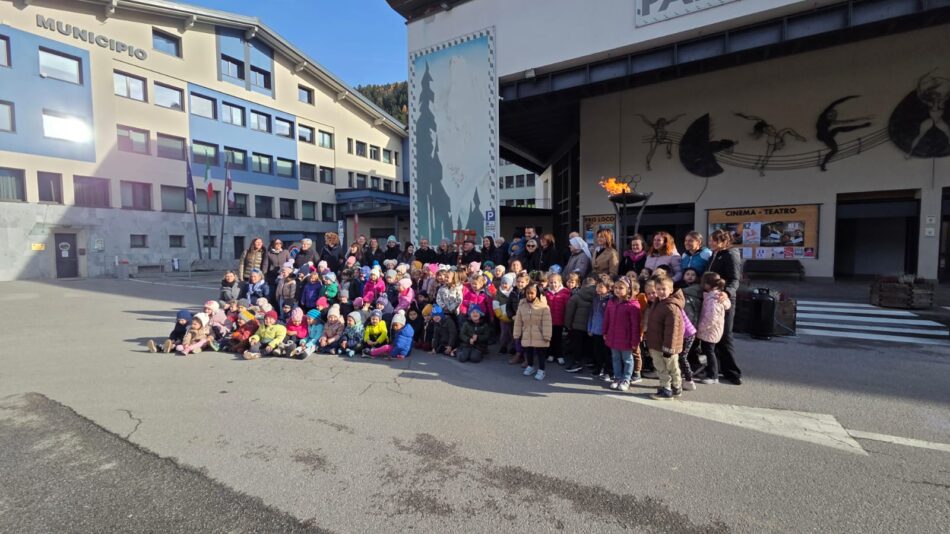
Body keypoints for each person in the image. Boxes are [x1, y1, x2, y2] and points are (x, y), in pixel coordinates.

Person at [707, 229, 742, 385]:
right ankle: (719, 367)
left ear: (723, 241)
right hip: (712, 298)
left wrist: (727, 293)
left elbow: (735, 279)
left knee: (725, 335)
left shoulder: (730, 255)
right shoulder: (715, 254)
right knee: (713, 335)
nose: (710, 243)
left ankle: (733, 372)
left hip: (724, 300)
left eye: (713, 240)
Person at [646, 276, 685, 400]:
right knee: (660, 367)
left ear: (671, 290)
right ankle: (668, 387)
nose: (660, 292)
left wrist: (669, 348)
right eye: (658, 289)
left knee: (671, 367)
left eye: (664, 289)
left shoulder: (670, 307)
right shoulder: (658, 302)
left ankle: (671, 388)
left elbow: (672, 330)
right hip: (657, 343)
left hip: (667, 346)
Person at [603, 278, 642, 391]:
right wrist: (605, 331)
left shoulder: (633, 305)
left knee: (627, 359)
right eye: (615, 288)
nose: (617, 290)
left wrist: (635, 341)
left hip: (626, 338)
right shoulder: (611, 302)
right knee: (615, 358)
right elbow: (607, 319)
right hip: (613, 336)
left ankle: (626, 379)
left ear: (629, 290)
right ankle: (617, 377)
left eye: (621, 288)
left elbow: (635, 326)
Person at [696, 271, 732, 385]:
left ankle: (713, 375)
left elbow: (710, 319)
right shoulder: (718, 296)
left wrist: (699, 329)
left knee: (710, 352)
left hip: (710, 330)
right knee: (709, 351)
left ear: (707, 284)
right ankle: (709, 371)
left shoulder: (713, 300)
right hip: (713, 329)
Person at [513, 284, 552, 381]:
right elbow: (518, 321)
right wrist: (517, 334)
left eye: (532, 293)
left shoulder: (543, 306)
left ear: (537, 293)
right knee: (528, 351)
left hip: (540, 334)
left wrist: (547, 335)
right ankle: (530, 366)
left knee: (540, 353)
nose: (529, 295)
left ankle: (541, 370)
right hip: (527, 333)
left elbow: (547, 323)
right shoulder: (522, 305)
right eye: (527, 293)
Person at [563, 276, 596, 373]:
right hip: (591, 327)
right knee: (589, 344)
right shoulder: (597, 296)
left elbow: (569, 313)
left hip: (577, 327)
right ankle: (590, 361)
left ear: (582, 285)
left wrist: (568, 325)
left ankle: (576, 363)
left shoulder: (576, 297)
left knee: (577, 346)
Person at [587, 279, 612, 381]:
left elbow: (610, 318)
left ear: (608, 288)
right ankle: (598, 367)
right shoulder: (596, 298)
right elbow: (591, 314)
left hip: (605, 331)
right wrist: (590, 327)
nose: (598, 289)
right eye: (597, 286)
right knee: (597, 351)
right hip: (595, 330)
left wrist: (607, 331)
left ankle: (608, 371)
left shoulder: (610, 300)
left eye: (601, 287)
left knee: (606, 352)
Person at [544, 273, 571, 365]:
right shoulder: (546, 293)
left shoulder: (565, 293)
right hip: (549, 320)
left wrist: (566, 322)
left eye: (555, 282)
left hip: (559, 321)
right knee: (550, 338)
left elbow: (568, 308)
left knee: (558, 339)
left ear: (560, 282)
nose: (553, 284)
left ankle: (559, 355)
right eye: (551, 282)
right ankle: (551, 354)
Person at [492, 273, 516, 356]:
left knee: (513, 332)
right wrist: (499, 314)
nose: (504, 285)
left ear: (510, 284)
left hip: (512, 317)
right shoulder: (498, 293)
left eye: (506, 283)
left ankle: (513, 347)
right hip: (503, 316)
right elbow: (495, 303)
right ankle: (503, 346)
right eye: (502, 283)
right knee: (504, 332)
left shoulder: (513, 292)